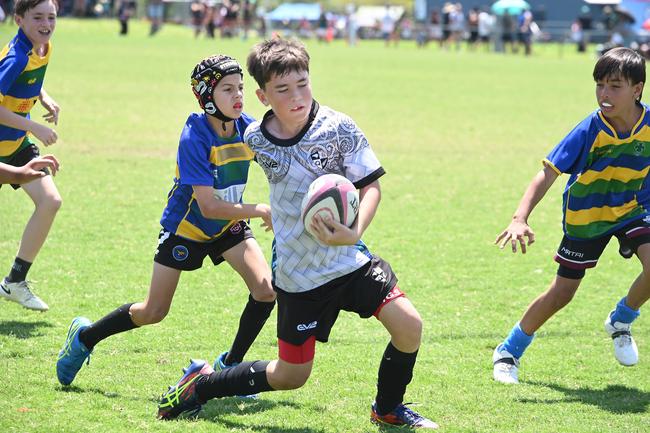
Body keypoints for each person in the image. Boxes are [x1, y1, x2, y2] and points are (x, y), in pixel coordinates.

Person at [157, 38, 438, 430]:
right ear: (262, 95)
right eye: (283, 90)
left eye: (303, 83)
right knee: (292, 375)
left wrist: (352, 231)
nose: (296, 96)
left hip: (348, 259)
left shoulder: (338, 126)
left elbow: (371, 186)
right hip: (298, 273)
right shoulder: (254, 137)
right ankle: (202, 387)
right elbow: (211, 146)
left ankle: (387, 408)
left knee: (409, 326)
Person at [55, 55, 276, 387]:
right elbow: (208, 205)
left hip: (228, 227)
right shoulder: (195, 136)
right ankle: (85, 337)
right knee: (153, 312)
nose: (238, 96)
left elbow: (279, 163)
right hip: (186, 229)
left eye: (241, 87)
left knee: (265, 290)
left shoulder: (248, 128)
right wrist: (260, 209)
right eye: (228, 89)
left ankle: (229, 367)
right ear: (205, 96)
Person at [493, 47, 650, 384]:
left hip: (632, 210)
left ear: (637, 89)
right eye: (599, 85)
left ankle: (621, 320)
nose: (604, 95)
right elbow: (548, 173)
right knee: (562, 293)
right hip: (587, 217)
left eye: (614, 86)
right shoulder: (591, 128)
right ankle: (508, 350)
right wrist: (519, 217)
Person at [0, 0, 61, 312]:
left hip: (16, 146)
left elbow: (30, 82)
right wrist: (34, 126)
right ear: (19, 19)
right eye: (37, 17)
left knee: (50, 200)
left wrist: (45, 98)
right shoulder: (15, 56)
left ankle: (14, 281)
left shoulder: (43, 47)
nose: (46, 24)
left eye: (51, 17)